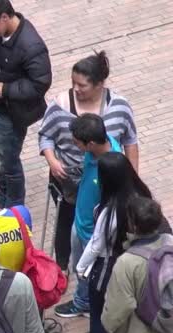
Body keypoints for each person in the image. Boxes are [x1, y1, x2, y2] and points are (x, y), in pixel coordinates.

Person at [39, 50, 139, 273]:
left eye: (82, 85)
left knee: (104, 224)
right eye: (73, 83)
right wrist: (52, 160)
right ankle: (63, 266)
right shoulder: (60, 105)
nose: (76, 89)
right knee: (67, 223)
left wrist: (132, 177)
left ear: (99, 84)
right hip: (69, 180)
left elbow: (131, 141)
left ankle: (98, 267)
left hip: (107, 180)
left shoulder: (119, 107)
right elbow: (45, 136)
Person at [0, 0, 52, 207]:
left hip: (10, 113)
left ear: (5, 17)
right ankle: (2, 196)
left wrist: (6, 90)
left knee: (9, 163)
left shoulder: (31, 45)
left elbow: (40, 84)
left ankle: (14, 206)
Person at [75, 152, 151, 333]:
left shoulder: (110, 212)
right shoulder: (142, 196)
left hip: (108, 268)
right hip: (138, 264)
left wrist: (81, 268)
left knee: (100, 313)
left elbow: (95, 246)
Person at [54, 113, 122, 319]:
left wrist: (96, 238)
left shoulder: (112, 166)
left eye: (77, 143)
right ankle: (82, 300)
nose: (76, 146)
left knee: (89, 273)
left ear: (91, 143)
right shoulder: (95, 149)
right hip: (79, 220)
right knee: (79, 268)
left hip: (93, 233)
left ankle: (86, 305)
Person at [102, 197, 172, 333]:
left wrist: (108, 327)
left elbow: (117, 309)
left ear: (133, 226)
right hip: (161, 327)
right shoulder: (169, 242)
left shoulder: (127, 262)